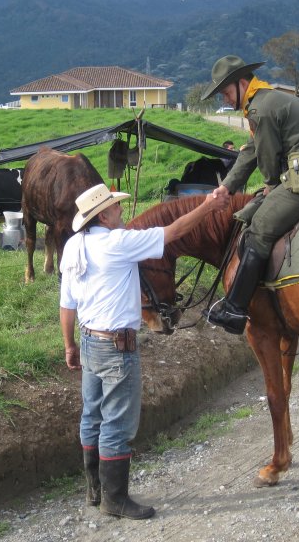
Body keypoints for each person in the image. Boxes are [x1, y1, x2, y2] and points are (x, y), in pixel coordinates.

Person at [60, 183, 227, 520]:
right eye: (116, 208)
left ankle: (95, 490)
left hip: (90, 339)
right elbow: (174, 230)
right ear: (103, 215)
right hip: (117, 346)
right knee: (117, 424)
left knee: (91, 415)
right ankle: (116, 500)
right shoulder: (118, 243)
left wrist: (69, 344)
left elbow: (67, 302)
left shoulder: (73, 246)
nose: (122, 212)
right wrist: (210, 206)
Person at [200, 55, 299, 335]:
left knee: (260, 226)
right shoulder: (265, 101)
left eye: (225, 90)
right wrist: (228, 187)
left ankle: (236, 308)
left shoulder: (261, 108)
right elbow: (252, 149)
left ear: (241, 83)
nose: (224, 96)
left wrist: (271, 186)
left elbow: (268, 160)